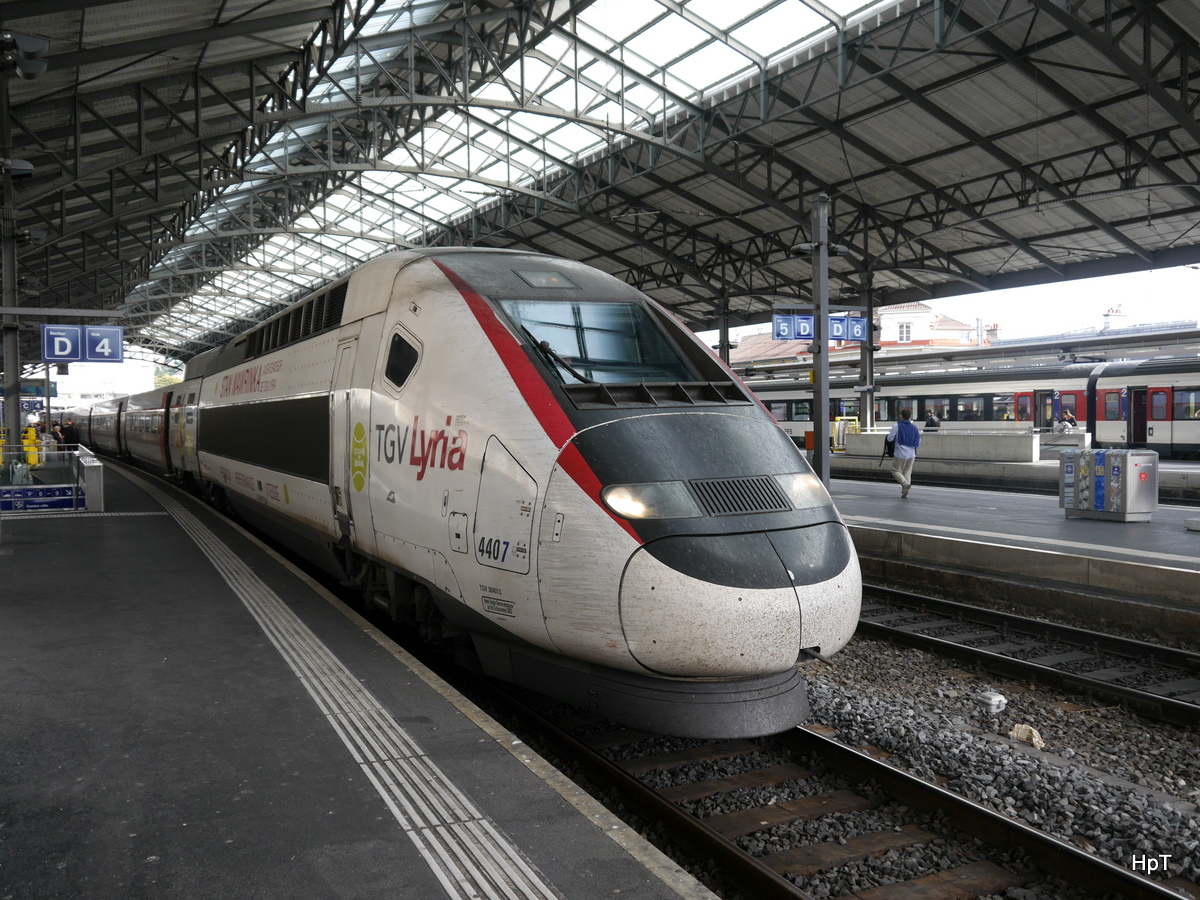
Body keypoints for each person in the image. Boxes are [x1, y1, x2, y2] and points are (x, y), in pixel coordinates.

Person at [888, 408, 922, 499]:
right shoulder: (915, 428)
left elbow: (890, 439)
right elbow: (918, 441)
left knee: (895, 471)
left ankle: (905, 484)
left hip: (900, 453)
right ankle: (906, 492)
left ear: (901, 416)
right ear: (910, 417)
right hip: (912, 454)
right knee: (907, 472)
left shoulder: (897, 426)